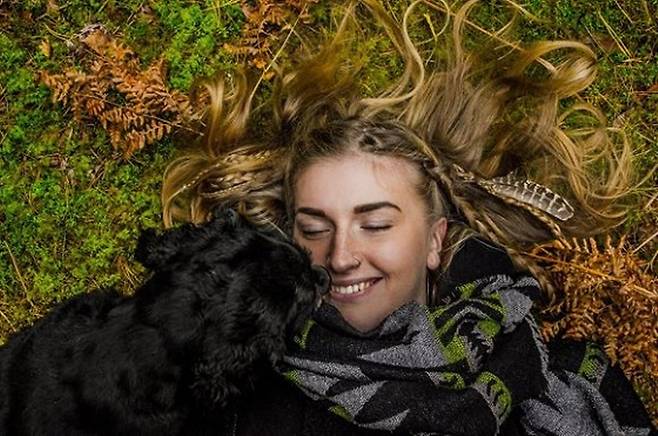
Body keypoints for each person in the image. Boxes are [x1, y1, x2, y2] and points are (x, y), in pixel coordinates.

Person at [161, 1, 656, 434]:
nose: (340, 256)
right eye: (314, 228)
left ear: (435, 241)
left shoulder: (551, 382)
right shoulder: (231, 384)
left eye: (375, 225)